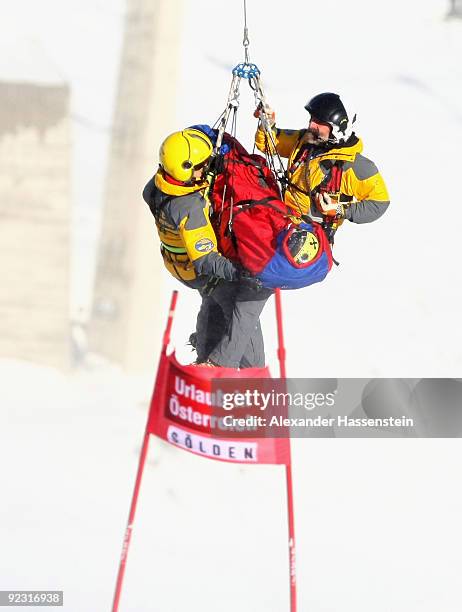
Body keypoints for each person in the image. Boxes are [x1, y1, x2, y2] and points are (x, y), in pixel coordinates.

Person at [143, 128, 273, 369]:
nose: (205, 169)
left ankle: (205, 347)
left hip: (179, 264)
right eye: (201, 166)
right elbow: (206, 260)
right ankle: (231, 370)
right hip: (200, 270)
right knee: (240, 307)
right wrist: (243, 271)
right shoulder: (188, 207)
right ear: (184, 169)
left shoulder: (158, 184)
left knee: (212, 300)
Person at [254, 92, 390, 235]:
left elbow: (379, 203)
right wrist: (267, 124)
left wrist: (339, 209)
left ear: (337, 129)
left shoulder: (354, 165)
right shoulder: (306, 140)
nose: (311, 124)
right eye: (312, 118)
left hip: (311, 238)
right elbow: (269, 143)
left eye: (320, 122)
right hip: (282, 219)